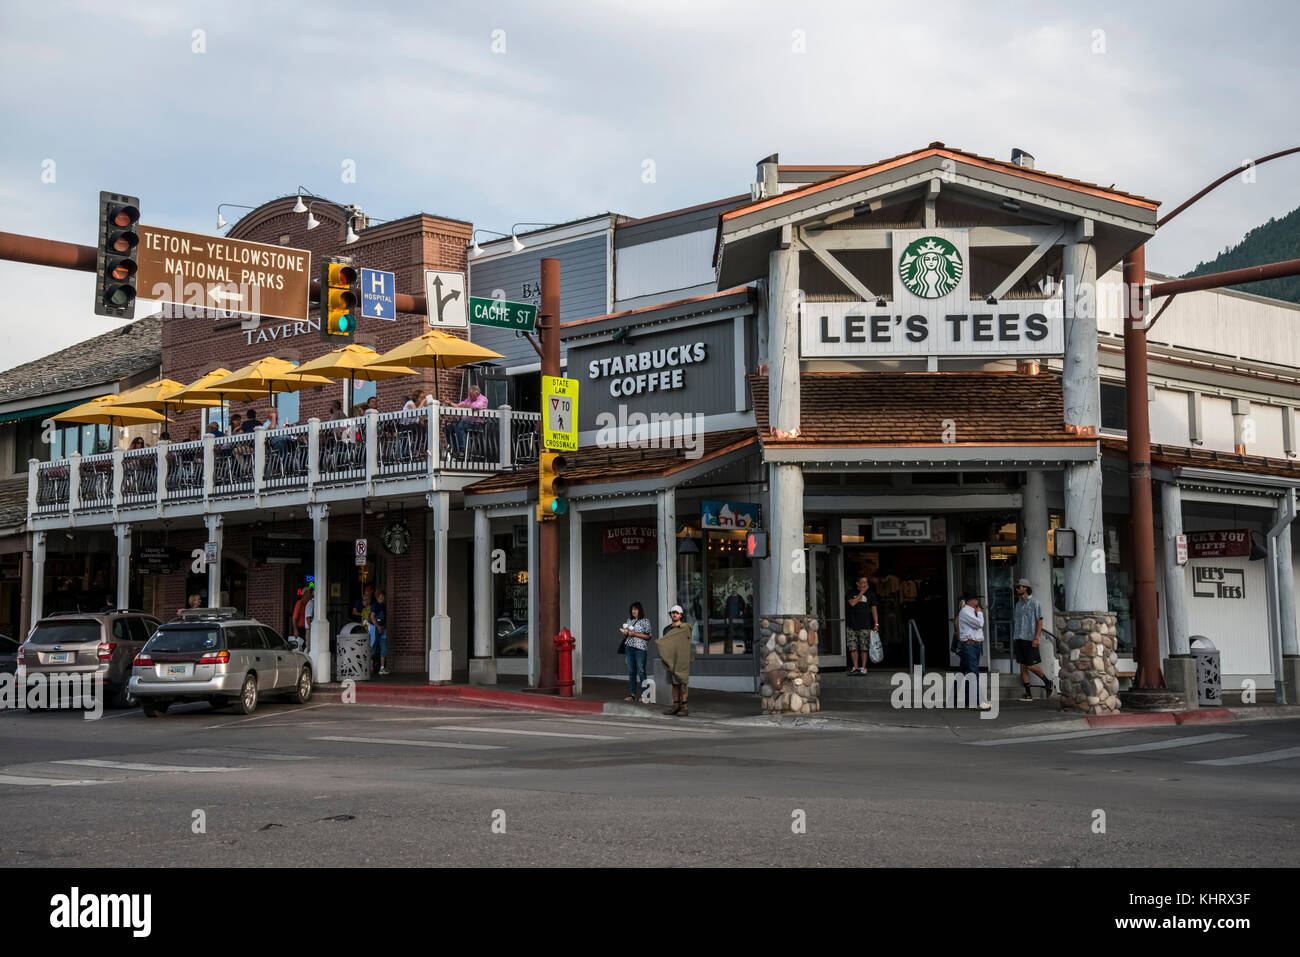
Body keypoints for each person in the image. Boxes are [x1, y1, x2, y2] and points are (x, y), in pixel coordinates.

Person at [1013, 578, 1053, 701]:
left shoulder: (1035, 603)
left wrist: (1036, 638)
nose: (1017, 588)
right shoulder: (1018, 604)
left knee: (1030, 665)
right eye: (1017, 587)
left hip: (1030, 639)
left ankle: (1047, 682)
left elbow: (1039, 622)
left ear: (1026, 588)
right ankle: (1028, 694)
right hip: (1018, 637)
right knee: (1023, 666)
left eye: (1020, 587)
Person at [954, 594, 990, 710]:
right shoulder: (966, 612)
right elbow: (979, 624)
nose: (978, 601)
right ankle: (978, 701)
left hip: (974, 646)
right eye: (976, 599)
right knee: (973, 673)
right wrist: (979, 613)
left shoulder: (970, 611)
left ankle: (961, 700)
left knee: (963, 672)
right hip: (969, 645)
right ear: (971, 601)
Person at [657, 604, 693, 716]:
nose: (674, 614)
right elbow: (665, 645)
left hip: (681, 661)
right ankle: (676, 706)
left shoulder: (685, 628)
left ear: (681, 615)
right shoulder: (667, 629)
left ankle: (685, 707)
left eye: (677, 613)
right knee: (674, 684)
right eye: (673, 612)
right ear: (670, 614)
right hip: (671, 661)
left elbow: (687, 644)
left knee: (682, 683)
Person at [845, 574, 880, 675]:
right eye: (863, 582)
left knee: (864, 648)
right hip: (852, 625)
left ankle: (863, 667)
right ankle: (855, 667)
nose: (865, 584)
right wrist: (861, 593)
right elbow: (852, 603)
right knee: (853, 647)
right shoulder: (851, 592)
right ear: (857, 583)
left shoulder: (871, 594)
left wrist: (876, 623)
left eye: (866, 582)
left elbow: (874, 610)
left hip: (865, 625)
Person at [620, 601, 652, 701]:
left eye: (635, 609)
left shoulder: (645, 621)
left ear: (639, 610)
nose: (633, 611)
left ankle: (644, 695)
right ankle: (632, 694)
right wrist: (625, 633)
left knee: (641, 671)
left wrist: (635, 634)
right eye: (632, 609)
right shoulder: (629, 620)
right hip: (629, 647)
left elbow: (648, 636)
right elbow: (628, 634)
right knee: (631, 671)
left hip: (640, 649)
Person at [446, 384, 488, 454]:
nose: (469, 395)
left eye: (470, 393)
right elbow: (458, 405)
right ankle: (455, 449)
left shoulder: (483, 399)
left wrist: (464, 406)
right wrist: (450, 402)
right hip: (466, 423)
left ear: (476, 393)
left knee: (460, 425)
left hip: (476, 424)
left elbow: (476, 406)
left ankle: (465, 450)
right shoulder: (469, 399)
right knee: (447, 428)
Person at [371, 589, 388, 676]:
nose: (383, 598)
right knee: (373, 646)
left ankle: (382, 668)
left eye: (383, 596)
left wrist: (383, 627)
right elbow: (372, 617)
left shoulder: (384, 606)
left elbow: (384, 618)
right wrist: (378, 627)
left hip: (383, 629)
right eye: (381, 596)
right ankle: (370, 667)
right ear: (378, 596)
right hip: (374, 628)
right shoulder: (375, 605)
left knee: (384, 647)